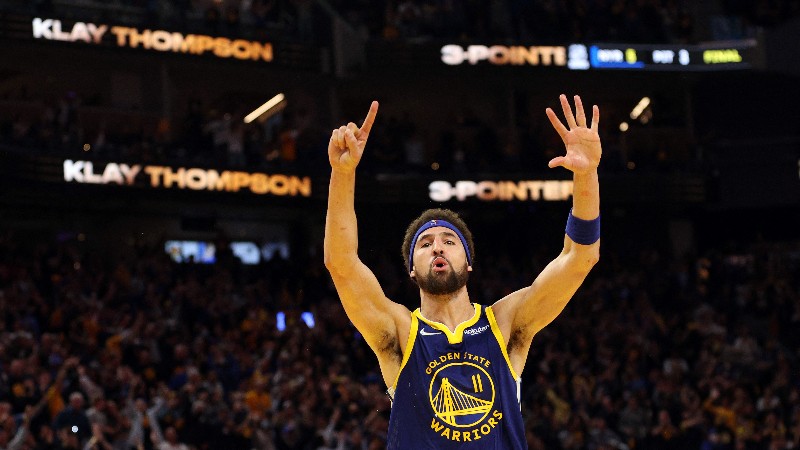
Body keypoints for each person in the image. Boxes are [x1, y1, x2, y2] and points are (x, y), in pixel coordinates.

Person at [324, 94, 601, 448]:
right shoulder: (400, 332)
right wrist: (343, 174)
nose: (437, 247)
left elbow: (580, 257)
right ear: (412, 271)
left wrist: (586, 176)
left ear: (469, 263)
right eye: (425, 244)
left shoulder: (505, 324)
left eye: (448, 241)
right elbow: (341, 264)